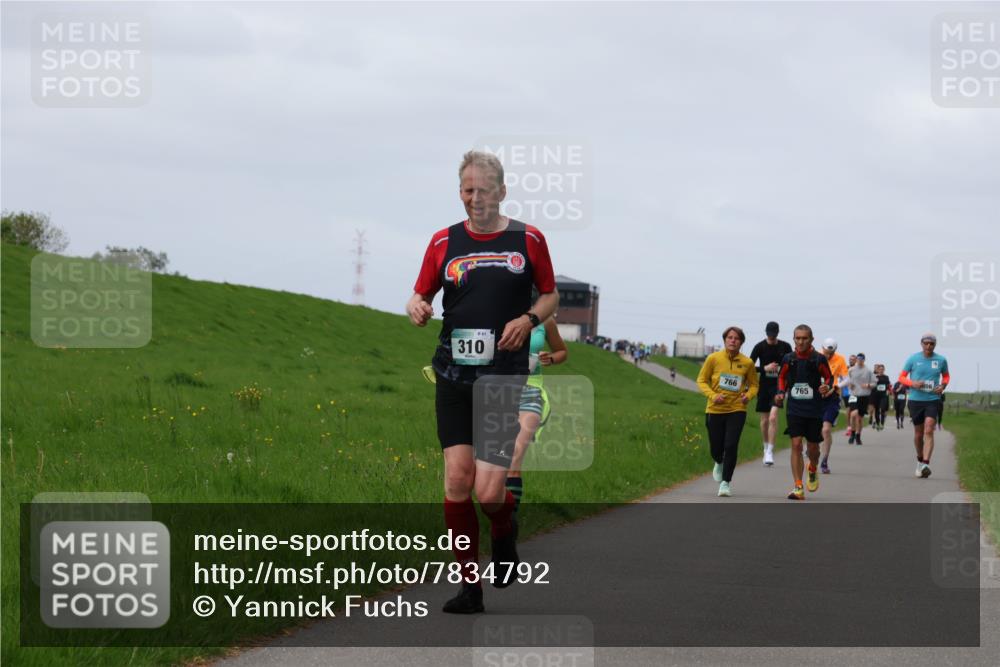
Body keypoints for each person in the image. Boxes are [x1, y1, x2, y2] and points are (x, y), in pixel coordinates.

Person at [407, 150, 559, 613]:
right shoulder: (441, 242)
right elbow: (420, 292)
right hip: (452, 373)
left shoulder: (529, 239)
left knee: (489, 492)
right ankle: (470, 587)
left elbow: (551, 295)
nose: (475, 199)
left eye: (484, 190)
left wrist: (529, 318)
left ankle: (504, 529)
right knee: (457, 480)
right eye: (467, 190)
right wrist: (416, 305)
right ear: (460, 193)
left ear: (502, 192)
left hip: (501, 376)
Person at [507, 315, 568, 517]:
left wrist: (549, 358)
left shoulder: (545, 320)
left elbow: (562, 352)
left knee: (514, 457)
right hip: (498, 389)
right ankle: (496, 514)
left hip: (531, 391)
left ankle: (509, 524)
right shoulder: (497, 308)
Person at [696, 326, 759, 497]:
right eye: (730, 337)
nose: (732, 340)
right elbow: (701, 380)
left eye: (736, 338)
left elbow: (754, 385)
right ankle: (718, 461)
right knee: (716, 447)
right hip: (714, 409)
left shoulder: (747, 363)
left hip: (737, 409)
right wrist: (713, 395)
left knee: (731, 445)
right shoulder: (713, 359)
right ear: (724, 340)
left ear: (741, 342)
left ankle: (725, 482)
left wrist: (748, 396)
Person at [773, 325, 834, 500]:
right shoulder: (788, 359)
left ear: (811, 340)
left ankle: (813, 467)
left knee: (813, 448)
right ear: (794, 339)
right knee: (796, 444)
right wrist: (780, 392)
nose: (801, 341)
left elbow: (829, 377)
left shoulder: (818, 359)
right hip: (795, 408)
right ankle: (798, 486)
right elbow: (782, 377)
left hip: (814, 408)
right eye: (797, 338)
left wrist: (826, 386)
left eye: (804, 338)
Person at [898, 334, 950, 477]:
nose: (928, 346)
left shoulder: (941, 360)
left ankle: (926, 463)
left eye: (931, 344)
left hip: (933, 399)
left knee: (929, 430)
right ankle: (920, 460)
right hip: (915, 400)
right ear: (921, 344)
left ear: (935, 345)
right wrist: (912, 383)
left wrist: (943, 385)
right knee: (918, 434)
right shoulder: (913, 359)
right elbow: (901, 377)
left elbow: (946, 376)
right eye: (926, 343)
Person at [749, 321, 792, 466]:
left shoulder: (785, 347)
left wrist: (783, 371)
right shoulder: (759, 347)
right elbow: (750, 367)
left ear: (778, 333)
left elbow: (792, 365)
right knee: (765, 420)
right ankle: (765, 446)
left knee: (773, 417)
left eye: (774, 335)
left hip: (779, 386)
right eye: (769, 335)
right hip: (764, 386)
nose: (772, 337)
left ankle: (770, 452)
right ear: (766, 333)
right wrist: (764, 368)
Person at [819, 338, 849, 474]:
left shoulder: (840, 359)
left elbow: (847, 378)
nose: (828, 355)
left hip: (832, 397)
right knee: (814, 429)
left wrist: (836, 386)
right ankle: (812, 448)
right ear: (822, 348)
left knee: (826, 430)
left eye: (831, 353)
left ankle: (824, 460)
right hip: (816, 396)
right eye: (826, 352)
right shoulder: (816, 357)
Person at [847, 353, 875, 445]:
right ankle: (852, 434)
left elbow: (874, 383)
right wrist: (849, 385)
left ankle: (858, 436)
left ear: (864, 360)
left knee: (859, 418)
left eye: (861, 359)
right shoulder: (851, 370)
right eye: (858, 359)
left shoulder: (868, 371)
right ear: (856, 360)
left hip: (864, 396)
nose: (859, 361)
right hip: (853, 395)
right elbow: (847, 380)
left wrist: (868, 385)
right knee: (853, 414)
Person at [871, 364, 892, 431]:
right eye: (880, 369)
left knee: (882, 409)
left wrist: (888, 391)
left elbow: (888, 385)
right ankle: (877, 423)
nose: (881, 370)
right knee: (877, 410)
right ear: (878, 370)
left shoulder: (886, 377)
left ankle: (882, 423)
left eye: (882, 369)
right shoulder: (875, 377)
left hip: (884, 395)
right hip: (876, 396)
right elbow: (872, 386)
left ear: (884, 370)